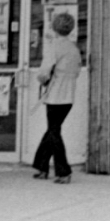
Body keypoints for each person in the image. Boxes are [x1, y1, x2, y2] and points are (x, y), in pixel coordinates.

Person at [31, 11, 82, 184]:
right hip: (69, 96)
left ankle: (63, 171)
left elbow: (44, 73)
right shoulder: (74, 49)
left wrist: (43, 79)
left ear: (54, 27)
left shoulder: (54, 47)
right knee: (53, 130)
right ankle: (41, 166)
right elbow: (76, 72)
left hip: (54, 95)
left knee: (53, 132)